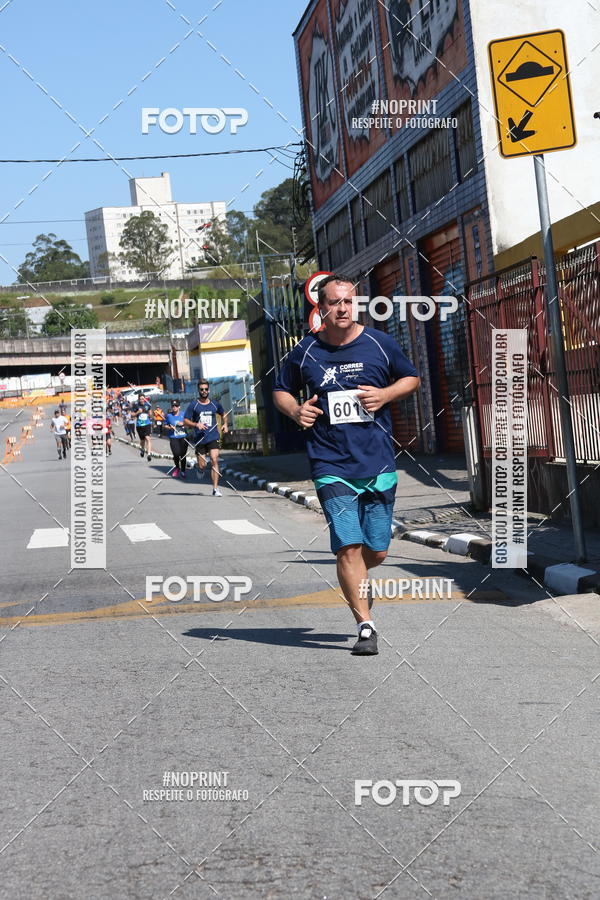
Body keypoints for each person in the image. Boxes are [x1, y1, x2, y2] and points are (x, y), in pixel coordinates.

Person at [273, 274, 420, 657]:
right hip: (329, 461)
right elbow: (280, 389)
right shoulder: (305, 351)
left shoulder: (379, 344)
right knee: (348, 548)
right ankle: (365, 626)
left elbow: (411, 378)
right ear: (320, 308)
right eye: (334, 302)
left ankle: (359, 584)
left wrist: (385, 394)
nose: (342, 308)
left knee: (377, 550)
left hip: (377, 460)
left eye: (348, 302)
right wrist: (295, 409)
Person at [183, 380, 229, 496]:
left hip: (213, 436)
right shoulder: (194, 405)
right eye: (202, 389)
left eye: (206, 389)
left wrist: (225, 424)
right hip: (200, 438)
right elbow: (185, 421)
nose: (204, 391)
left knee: (214, 459)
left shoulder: (214, 404)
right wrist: (196, 424)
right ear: (198, 390)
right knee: (202, 464)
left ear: (209, 390)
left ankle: (215, 489)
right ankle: (200, 469)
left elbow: (224, 414)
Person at [164, 399, 188, 478]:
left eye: (176, 406)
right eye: (173, 406)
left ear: (179, 407)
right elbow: (165, 425)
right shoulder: (169, 415)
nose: (174, 407)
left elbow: (189, 423)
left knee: (183, 455)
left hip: (183, 436)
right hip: (173, 437)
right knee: (176, 454)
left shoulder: (184, 414)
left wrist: (183, 424)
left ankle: (183, 471)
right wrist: (170, 427)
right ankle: (177, 467)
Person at [132, 394, 153, 461]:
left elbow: (151, 414)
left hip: (147, 424)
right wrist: (138, 412)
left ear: (145, 399)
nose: (142, 400)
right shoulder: (136, 405)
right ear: (139, 399)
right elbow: (132, 415)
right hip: (139, 425)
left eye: (143, 398)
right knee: (142, 440)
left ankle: (149, 454)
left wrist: (150, 414)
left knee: (148, 438)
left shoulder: (148, 405)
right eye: (140, 399)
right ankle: (142, 449)